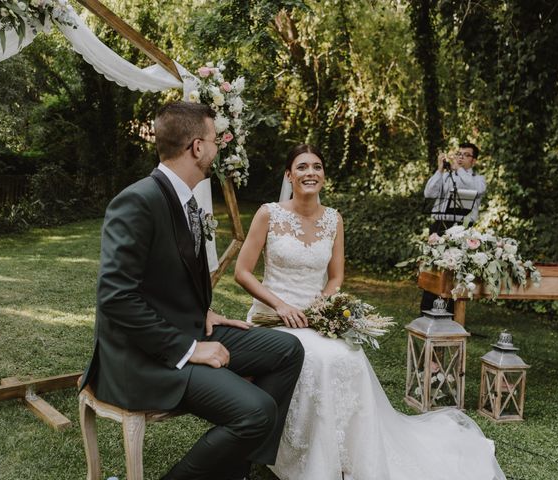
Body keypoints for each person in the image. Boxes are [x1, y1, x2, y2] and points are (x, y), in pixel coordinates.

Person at [235, 144, 505, 480]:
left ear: (324, 176)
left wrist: (325, 304)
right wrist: (280, 305)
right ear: (289, 175)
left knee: (348, 358)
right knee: (317, 360)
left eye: (317, 167)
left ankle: (346, 454)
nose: (310, 173)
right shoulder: (269, 214)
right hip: (273, 315)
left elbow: (336, 277)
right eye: (302, 167)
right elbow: (242, 271)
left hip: (316, 316)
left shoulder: (334, 219)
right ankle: (299, 458)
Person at [80, 101, 304, 480]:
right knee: (257, 410)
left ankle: (235, 468)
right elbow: (116, 298)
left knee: (287, 349)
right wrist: (190, 348)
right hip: (143, 358)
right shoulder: (138, 201)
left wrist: (204, 312)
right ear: (197, 148)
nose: (218, 150)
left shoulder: (187, 200)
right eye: (215, 141)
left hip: (189, 325)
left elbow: (170, 277)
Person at [421, 142, 486, 312]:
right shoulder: (447, 175)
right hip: (439, 226)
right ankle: (427, 309)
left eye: (466, 155)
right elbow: (429, 193)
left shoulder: (478, 180)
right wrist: (440, 170)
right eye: (459, 154)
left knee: (455, 269)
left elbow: (473, 189)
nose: (461, 157)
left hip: (462, 229)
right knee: (434, 268)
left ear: (474, 160)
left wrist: (460, 170)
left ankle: (450, 313)